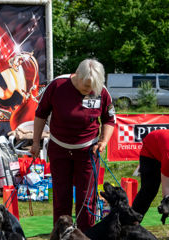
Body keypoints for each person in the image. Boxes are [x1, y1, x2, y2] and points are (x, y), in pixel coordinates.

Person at [30, 59, 116, 232]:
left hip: (87, 151)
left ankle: (85, 234)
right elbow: (40, 114)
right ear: (77, 75)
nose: (89, 91)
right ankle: (62, 232)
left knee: (87, 196)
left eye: (93, 87)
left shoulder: (102, 91)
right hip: (59, 149)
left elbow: (109, 119)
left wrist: (103, 141)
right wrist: (35, 142)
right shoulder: (57, 86)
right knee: (62, 195)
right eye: (86, 86)